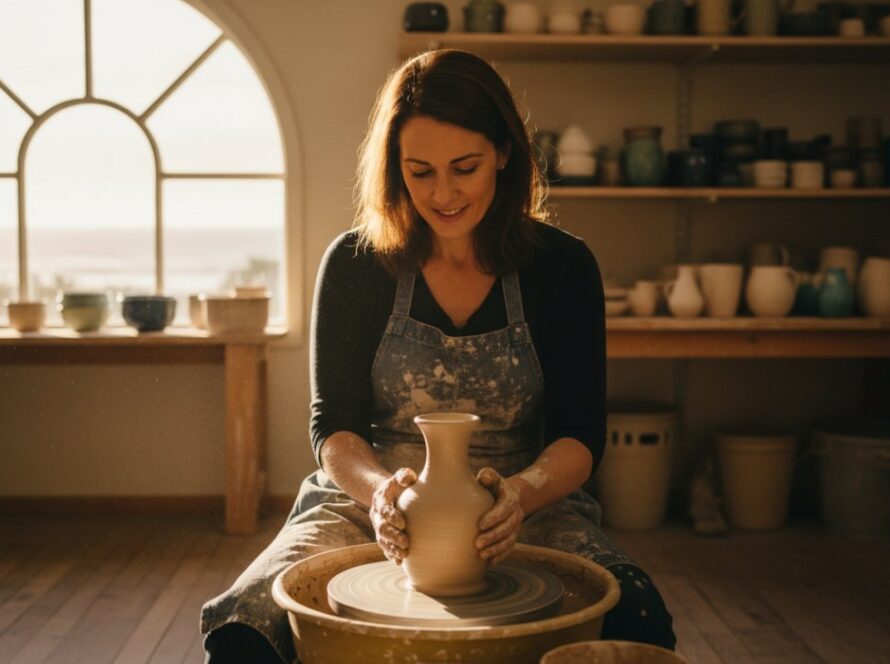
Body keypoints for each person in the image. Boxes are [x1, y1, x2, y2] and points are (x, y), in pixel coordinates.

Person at [201, 48, 676, 663]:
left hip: (526, 505)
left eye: (465, 167)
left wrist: (521, 494)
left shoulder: (561, 267)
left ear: (504, 153)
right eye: (420, 171)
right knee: (247, 630)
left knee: (637, 615)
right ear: (396, 169)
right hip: (367, 504)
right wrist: (379, 494)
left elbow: (581, 433)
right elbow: (333, 424)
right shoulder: (354, 265)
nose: (444, 194)